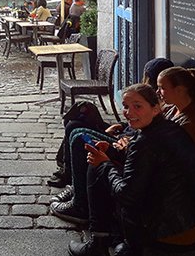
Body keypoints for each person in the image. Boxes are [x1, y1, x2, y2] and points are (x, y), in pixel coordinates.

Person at [68, 84, 195, 256]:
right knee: (105, 166)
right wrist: (113, 153)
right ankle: (117, 244)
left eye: (137, 106)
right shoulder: (170, 128)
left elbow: (127, 196)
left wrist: (105, 164)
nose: (129, 112)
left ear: (156, 108)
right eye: (125, 106)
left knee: (98, 169)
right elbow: (147, 164)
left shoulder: (145, 142)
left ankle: (98, 246)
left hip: (175, 232)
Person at [47, 57, 174, 189]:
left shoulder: (154, 104)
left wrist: (127, 138)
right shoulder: (148, 96)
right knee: (83, 109)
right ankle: (65, 165)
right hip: (121, 132)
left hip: (118, 141)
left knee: (75, 127)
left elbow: (147, 131)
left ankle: (68, 173)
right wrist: (121, 125)